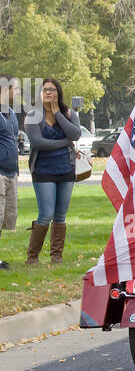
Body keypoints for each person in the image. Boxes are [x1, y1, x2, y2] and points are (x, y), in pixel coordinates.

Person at [24, 79, 82, 265]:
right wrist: (65, 143)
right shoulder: (33, 115)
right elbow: (38, 142)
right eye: (45, 90)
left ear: (58, 92)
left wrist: (58, 113)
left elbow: (76, 134)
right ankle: (32, 257)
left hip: (66, 169)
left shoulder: (68, 113)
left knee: (60, 215)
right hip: (43, 170)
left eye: (52, 89)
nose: (48, 92)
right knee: (46, 214)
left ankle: (56, 256)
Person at [0, 104, 19, 270]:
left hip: (11, 172)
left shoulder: (11, 113)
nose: (19, 92)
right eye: (15, 89)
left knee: (4, 218)